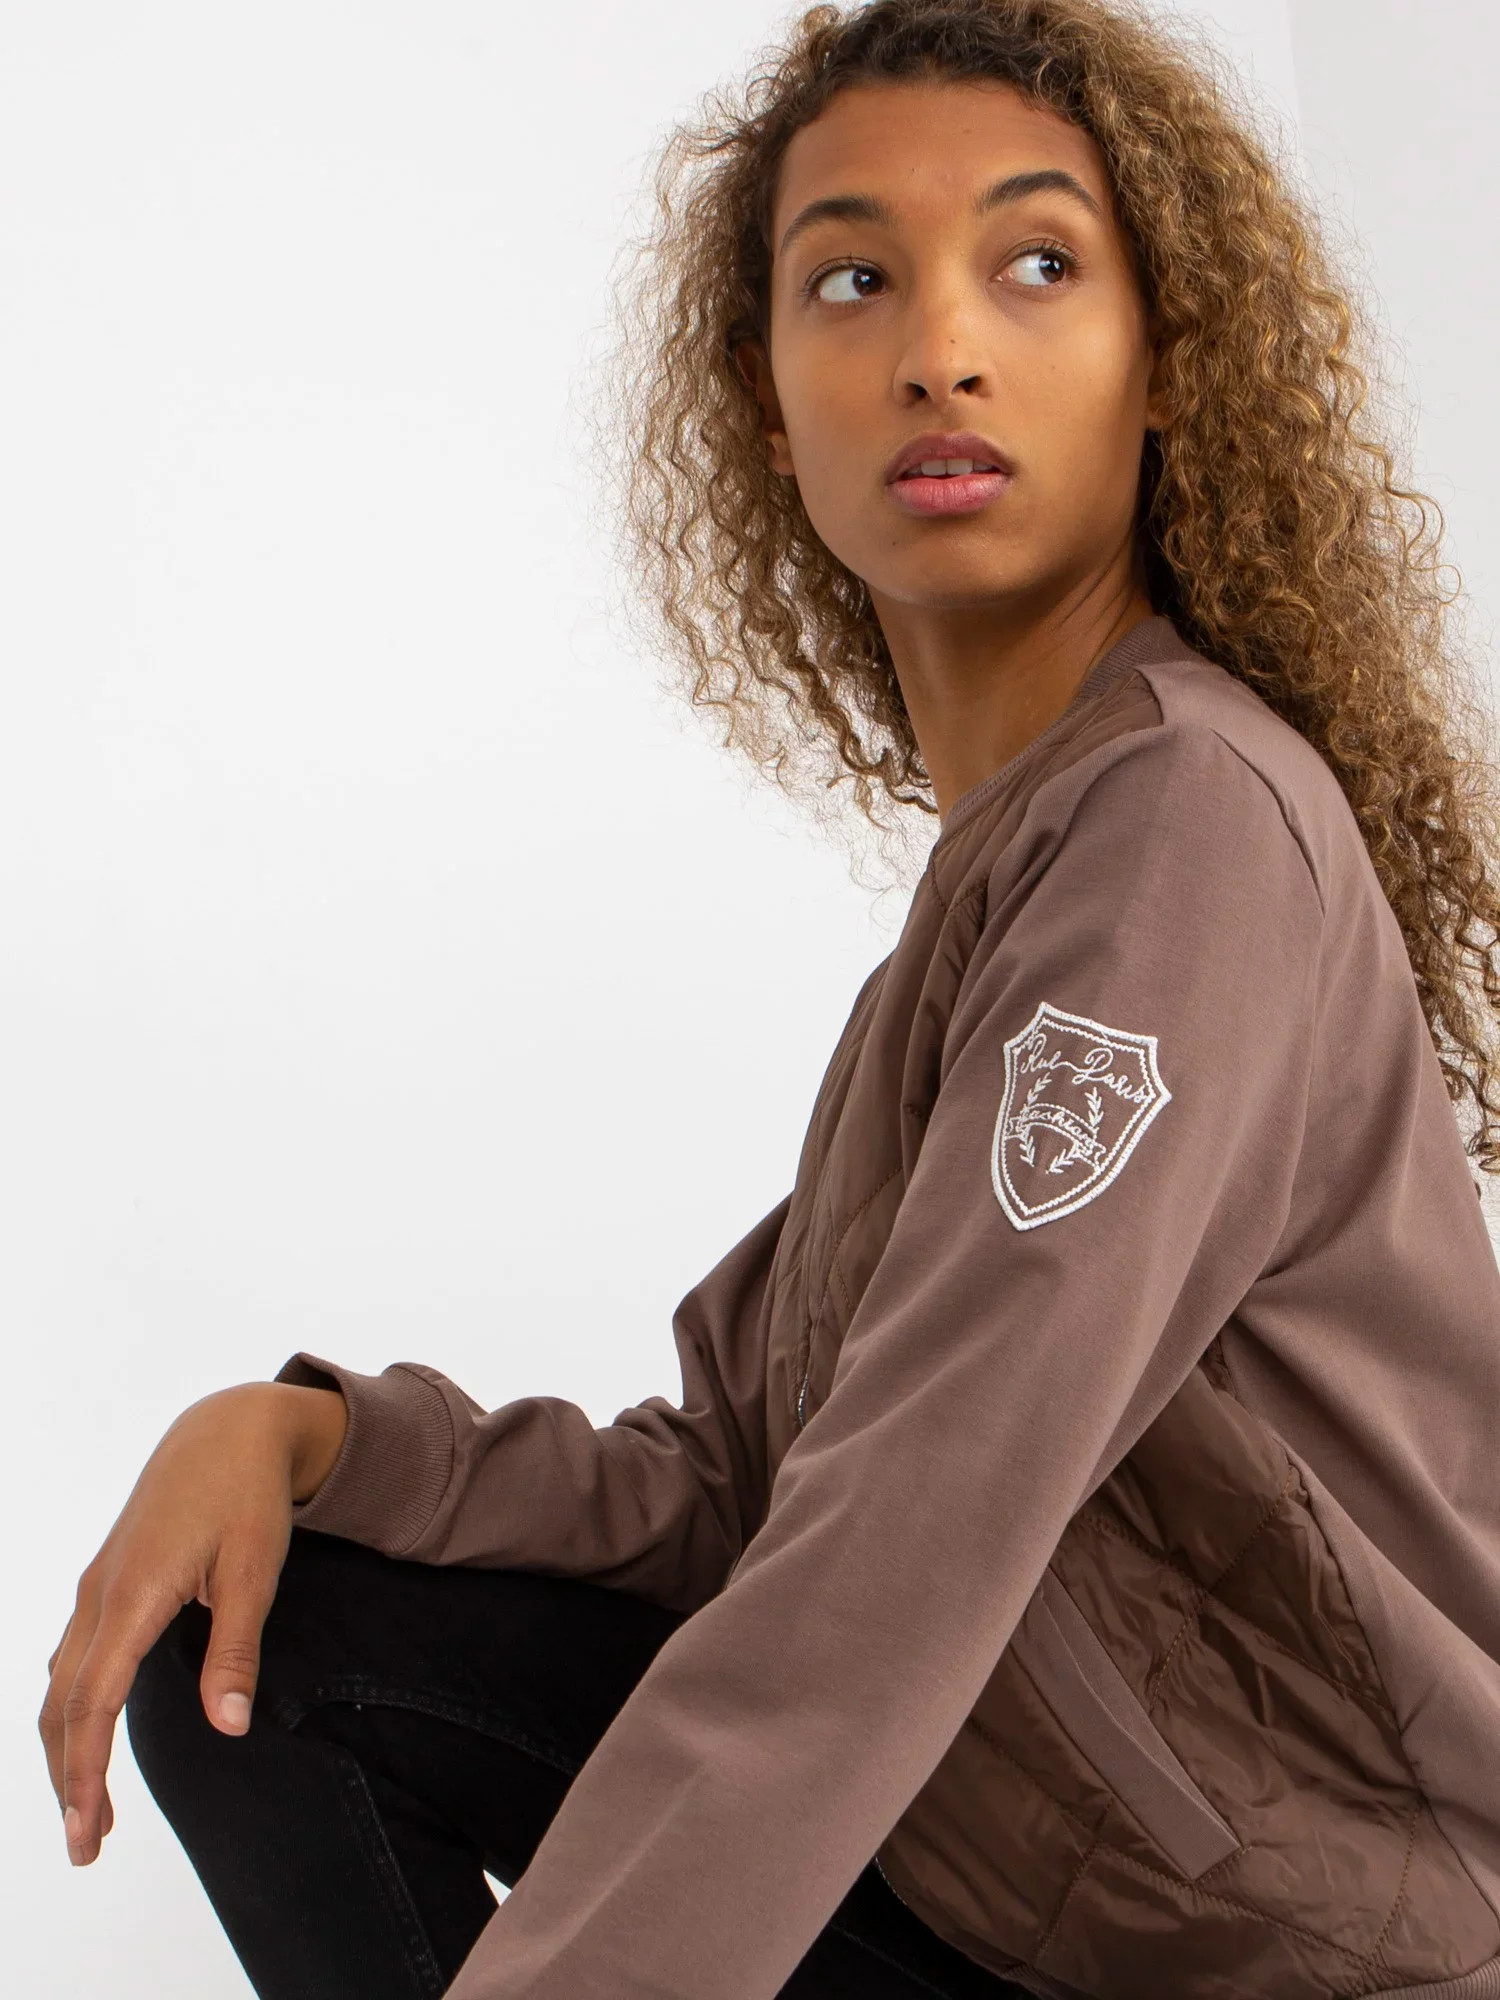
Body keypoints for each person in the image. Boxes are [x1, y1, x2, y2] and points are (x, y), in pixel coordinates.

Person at [38, 1, 1500, 1995]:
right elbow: (745, 1483)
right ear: (766, 397)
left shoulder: (1189, 830)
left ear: (1166, 360)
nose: (941, 348)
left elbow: (906, 1533)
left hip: (1294, 1956)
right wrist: (313, 1439)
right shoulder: (1007, 894)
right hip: (1007, 1899)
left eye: (1037, 262)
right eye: (853, 280)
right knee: (271, 1648)